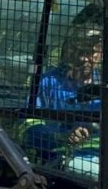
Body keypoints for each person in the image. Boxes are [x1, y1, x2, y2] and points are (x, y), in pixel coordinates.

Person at [29, 24, 102, 177]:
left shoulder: (103, 86)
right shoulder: (48, 82)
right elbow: (28, 125)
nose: (83, 58)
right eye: (78, 51)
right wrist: (59, 136)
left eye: (89, 52)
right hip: (60, 161)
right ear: (68, 50)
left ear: (100, 54)